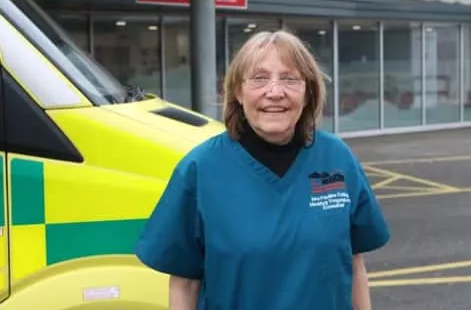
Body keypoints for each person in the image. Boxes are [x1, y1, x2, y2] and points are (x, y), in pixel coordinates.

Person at [134, 30, 390, 310]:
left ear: (308, 92)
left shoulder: (337, 159)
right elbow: (185, 284)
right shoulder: (200, 169)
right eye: (259, 78)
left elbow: (354, 265)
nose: (275, 92)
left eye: (289, 79)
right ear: (238, 92)